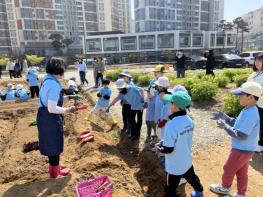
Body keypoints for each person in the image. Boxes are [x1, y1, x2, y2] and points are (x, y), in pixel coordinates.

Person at [210, 81, 262, 197]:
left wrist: (225, 126)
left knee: (228, 168)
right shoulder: (248, 109)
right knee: (241, 172)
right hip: (246, 149)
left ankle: (225, 188)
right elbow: (237, 124)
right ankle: (241, 194)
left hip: (242, 149)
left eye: (241, 95)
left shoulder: (251, 114)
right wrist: (225, 117)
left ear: (251, 97)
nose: (238, 97)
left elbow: (241, 134)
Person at [37, 58, 79, 179]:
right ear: (59, 70)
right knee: (53, 146)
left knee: (52, 145)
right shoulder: (54, 85)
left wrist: (69, 97)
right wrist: (68, 110)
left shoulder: (47, 79)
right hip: (50, 118)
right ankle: (55, 174)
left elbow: (51, 100)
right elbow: (52, 108)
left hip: (44, 116)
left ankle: (56, 170)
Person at [156, 91, 203, 197]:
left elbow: (168, 149)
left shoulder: (171, 124)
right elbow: (182, 138)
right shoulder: (189, 120)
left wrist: (159, 147)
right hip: (186, 160)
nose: (169, 104)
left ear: (175, 106)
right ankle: (199, 194)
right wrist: (165, 142)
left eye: (170, 102)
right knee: (193, 178)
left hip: (174, 166)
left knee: (170, 188)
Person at [247, 54, 263, 152]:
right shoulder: (253, 74)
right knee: (254, 123)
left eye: (260, 60)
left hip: (261, 103)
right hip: (252, 103)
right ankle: (255, 141)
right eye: (256, 60)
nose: (257, 63)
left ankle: (261, 144)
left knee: (261, 124)